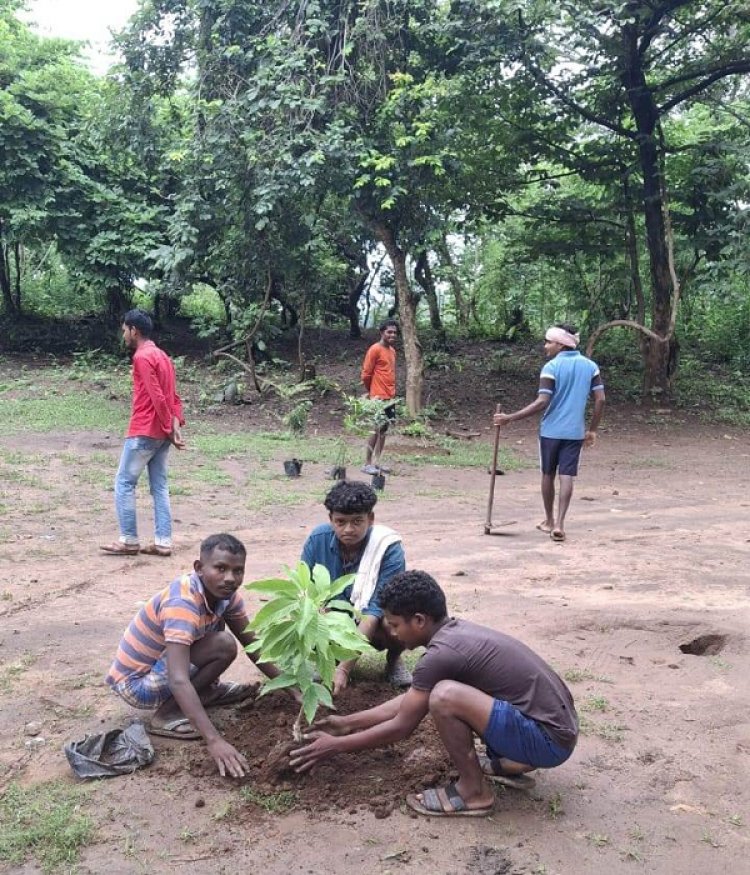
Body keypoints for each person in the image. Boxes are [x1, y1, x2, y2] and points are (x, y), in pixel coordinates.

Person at [289, 571, 578, 818]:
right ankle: (512, 762)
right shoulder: (456, 634)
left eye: (394, 624)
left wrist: (336, 746)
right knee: (445, 692)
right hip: (558, 730)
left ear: (418, 620)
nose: (391, 633)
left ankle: (474, 792)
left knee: (445, 696)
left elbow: (403, 725)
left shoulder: (440, 655)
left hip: (548, 742)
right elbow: (413, 698)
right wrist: (348, 722)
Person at [106, 533, 283, 777]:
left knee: (222, 635)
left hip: (162, 670)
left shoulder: (226, 595)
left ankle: (206, 691)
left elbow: (253, 645)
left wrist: (291, 685)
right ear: (199, 568)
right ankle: (167, 714)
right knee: (223, 644)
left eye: (237, 571)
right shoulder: (183, 602)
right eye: (220, 568)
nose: (230, 578)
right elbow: (178, 678)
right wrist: (214, 740)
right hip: (137, 684)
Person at [493, 323, 605, 542]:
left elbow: (542, 402)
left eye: (548, 342)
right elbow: (600, 399)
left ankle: (549, 520)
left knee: (547, 474)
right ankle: (560, 525)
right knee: (567, 475)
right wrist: (592, 430)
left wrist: (510, 418)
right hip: (575, 432)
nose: (545, 346)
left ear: (561, 344)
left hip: (551, 431)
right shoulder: (591, 366)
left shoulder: (551, 368)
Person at [301, 480, 412, 693]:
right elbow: (305, 588)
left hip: (374, 620)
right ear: (330, 519)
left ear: (370, 519)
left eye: (357, 521)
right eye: (340, 522)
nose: (348, 529)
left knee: (397, 622)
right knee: (310, 615)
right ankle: (327, 659)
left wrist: (345, 670)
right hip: (334, 616)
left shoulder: (387, 548)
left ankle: (394, 660)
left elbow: (375, 610)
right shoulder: (318, 540)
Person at [101, 309, 185, 557]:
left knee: (124, 482)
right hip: (161, 433)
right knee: (159, 485)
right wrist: (174, 425)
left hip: (145, 429)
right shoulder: (163, 356)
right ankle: (163, 541)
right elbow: (173, 396)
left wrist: (170, 426)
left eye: (125, 329)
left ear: (134, 330)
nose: (123, 333)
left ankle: (128, 539)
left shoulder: (142, 357)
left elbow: (157, 396)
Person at [361, 318, 398, 475]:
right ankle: (367, 463)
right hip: (377, 396)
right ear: (382, 332)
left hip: (390, 396)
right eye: (389, 332)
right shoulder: (374, 349)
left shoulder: (392, 351)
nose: (392, 335)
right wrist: (372, 393)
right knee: (375, 429)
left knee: (384, 430)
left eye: (395, 333)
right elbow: (366, 374)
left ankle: (377, 462)